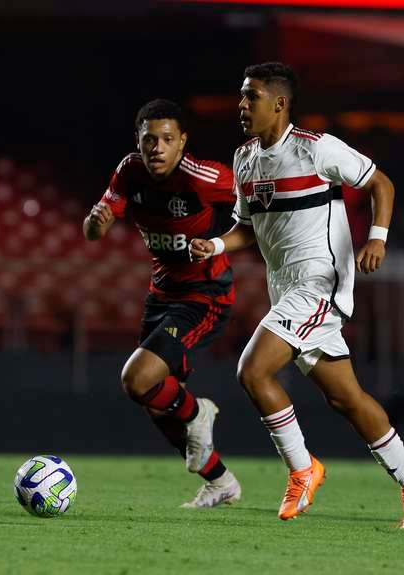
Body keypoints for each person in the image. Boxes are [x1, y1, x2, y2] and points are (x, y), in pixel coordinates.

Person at [190, 62, 404, 528]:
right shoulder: (244, 158)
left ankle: (302, 469)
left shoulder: (315, 148)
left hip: (320, 283)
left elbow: (380, 183)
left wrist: (377, 238)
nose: (242, 105)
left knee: (252, 371)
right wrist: (216, 245)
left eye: (252, 96)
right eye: (242, 96)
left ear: (279, 103)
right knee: (346, 399)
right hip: (286, 288)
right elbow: (247, 226)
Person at [84, 98, 242, 507]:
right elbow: (93, 231)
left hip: (205, 294)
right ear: (138, 141)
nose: (157, 148)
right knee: (157, 404)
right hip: (161, 296)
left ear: (182, 142)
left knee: (136, 380)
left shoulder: (205, 177)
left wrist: (221, 242)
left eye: (167, 139)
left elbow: (258, 208)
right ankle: (220, 482)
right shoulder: (129, 170)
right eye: (149, 140)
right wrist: (95, 222)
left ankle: (199, 413)